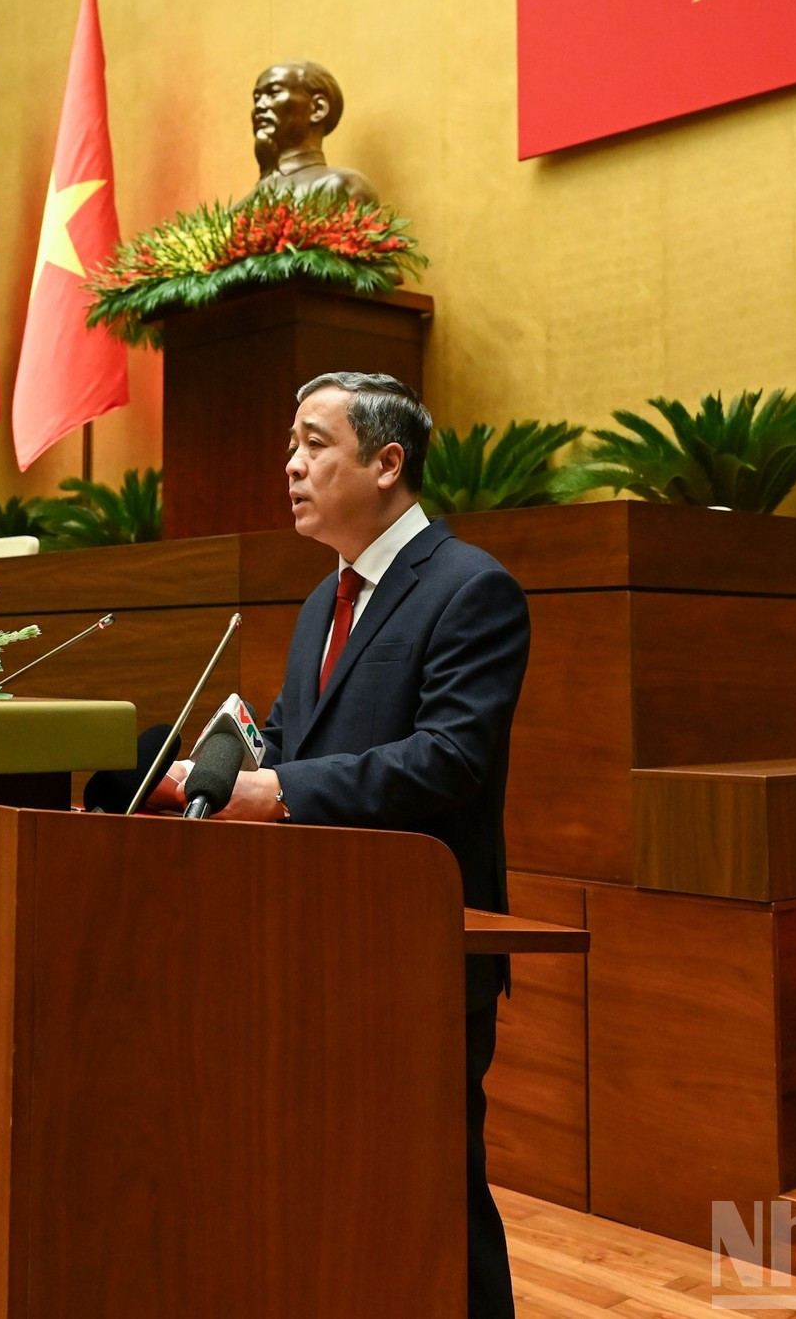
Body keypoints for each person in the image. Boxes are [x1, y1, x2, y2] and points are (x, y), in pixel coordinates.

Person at [218, 370, 530, 1319]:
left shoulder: (472, 587)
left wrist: (275, 789)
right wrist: (228, 757)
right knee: (340, 1180)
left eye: (315, 444)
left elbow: (448, 759)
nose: (292, 465)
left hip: (419, 941)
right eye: (290, 444)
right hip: (319, 930)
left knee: (433, 1179)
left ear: (388, 462)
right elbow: (296, 736)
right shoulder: (326, 600)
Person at [243, 60, 379, 205]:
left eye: (273, 93)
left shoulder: (342, 187)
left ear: (318, 109)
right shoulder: (236, 210)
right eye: (256, 98)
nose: (259, 106)